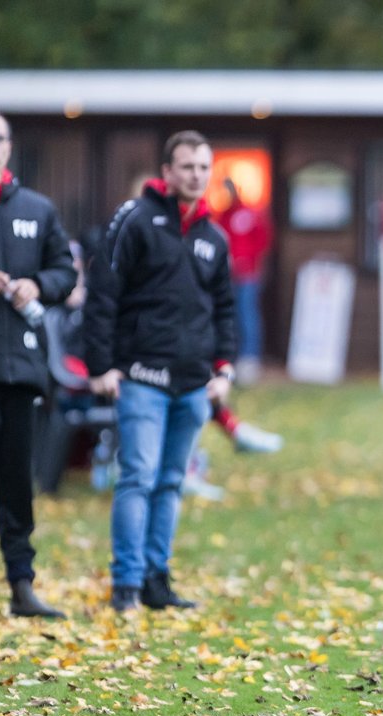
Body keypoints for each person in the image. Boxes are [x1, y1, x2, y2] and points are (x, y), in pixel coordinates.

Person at [84, 130, 236, 613]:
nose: (196, 175)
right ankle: (125, 585)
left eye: (203, 167)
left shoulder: (215, 236)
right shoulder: (135, 220)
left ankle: (156, 580)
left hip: (192, 384)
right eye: (187, 166)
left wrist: (224, 369)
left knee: (172, 481)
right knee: (138, 477)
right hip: (141, 377)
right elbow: (103, 294)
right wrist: (101, 365)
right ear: (167, 172)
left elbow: (225, 310)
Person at [0, 112, 76, 618]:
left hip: (19, 372)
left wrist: (38, 285)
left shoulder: (38, 209)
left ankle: (22, 586)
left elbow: (65, 272)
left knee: (17, 483)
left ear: (10, 146)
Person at [215, 177, 271, 386]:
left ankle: (250, 358)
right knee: (230, 316)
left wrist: (248, 261)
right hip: (228, 275)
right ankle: (231, 357)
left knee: (248, 314)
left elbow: (263, 240)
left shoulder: (251, 213)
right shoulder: (223, 216)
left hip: (249, 275)